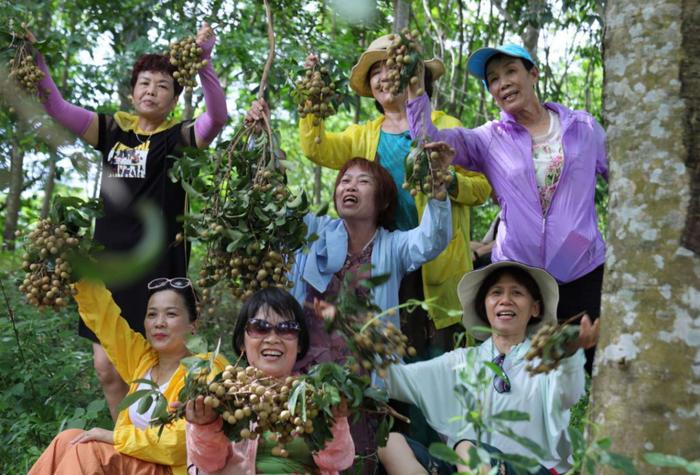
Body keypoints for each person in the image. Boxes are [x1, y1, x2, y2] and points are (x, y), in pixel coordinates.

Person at [25, 22, 228, 419]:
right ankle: (128, 442)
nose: (151, 90)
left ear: (173, 99)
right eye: (144, 83)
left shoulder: (178, 138)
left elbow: (217, 118)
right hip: (109, 266)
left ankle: (156, 443)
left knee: (153, 366)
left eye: (163, 85)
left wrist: (204, 62)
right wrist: (36, 57)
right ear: (132, 91)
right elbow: (56, 107)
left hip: (158, 269)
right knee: (106, 369)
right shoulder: (112, 130)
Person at [248, 35, 491, 355]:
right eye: (376, 71)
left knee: (435, 353)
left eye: (393, 66)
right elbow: (315, 146)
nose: (385, 76)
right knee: (380, 349)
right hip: (381, 260)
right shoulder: (363, 134)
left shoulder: (445, 125)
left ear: (415, 76)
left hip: (435, 262)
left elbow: (482, 187)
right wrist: (310, 94)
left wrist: (448, 179)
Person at [406, 43, 607, 371]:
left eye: (511, 71)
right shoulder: (489, 139)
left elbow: (623, 177)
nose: (503, 83)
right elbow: (429, 139)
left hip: (582, 270)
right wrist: (416, 97)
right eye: (493, 79)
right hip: (521, 278)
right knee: (523, 376)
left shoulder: (582, 128)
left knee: (589, 371)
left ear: (533, 74)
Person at [378, 261, 600, 475]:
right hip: (467, 466)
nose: (505, 300)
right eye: (496, 293)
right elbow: (397, 380)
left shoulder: (546, 361)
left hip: (529, 470)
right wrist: (360, 345)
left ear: (535, 308)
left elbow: (569, 393)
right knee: (390, 443)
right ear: (484, 306)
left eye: (517, 293)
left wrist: (571, 352)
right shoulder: (460, 362)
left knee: (467, 449)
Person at [29, 277, 228, 475]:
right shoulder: (143, 360)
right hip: (138, 463)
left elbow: (178, 443)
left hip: (174, 469)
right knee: (68, 438)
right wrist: (79, 271)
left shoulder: (206, 369)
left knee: (89, 450)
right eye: (152, 315)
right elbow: (105, 318)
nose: (159, 323)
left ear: (193, 324)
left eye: (171, 314)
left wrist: (117, 437)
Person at [184, 287, 355, 475]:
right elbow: (208, 464)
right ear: (242, 342)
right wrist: (206, 425)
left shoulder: (315, 395)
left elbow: (338, 461)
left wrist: (335, 420)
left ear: (299, 344)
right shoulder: (223, 396)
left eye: (287, 329)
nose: (273, 338)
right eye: (260, 327)